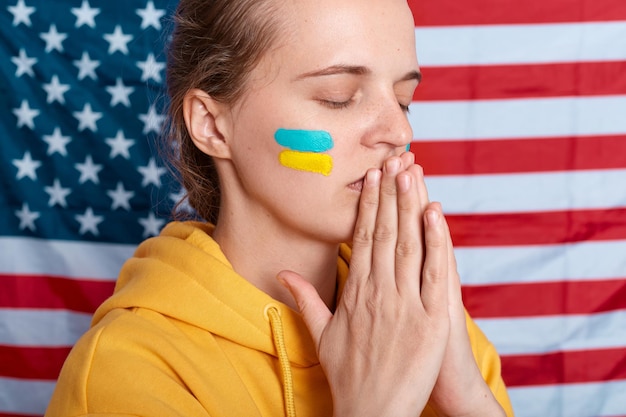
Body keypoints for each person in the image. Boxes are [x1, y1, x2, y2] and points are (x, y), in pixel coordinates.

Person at [46, 0, 514, 415]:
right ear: (212, 125)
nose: (398, 131)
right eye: (339, 98)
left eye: (404, 99)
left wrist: (470, 400)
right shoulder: (125, 374)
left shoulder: (434, 327)